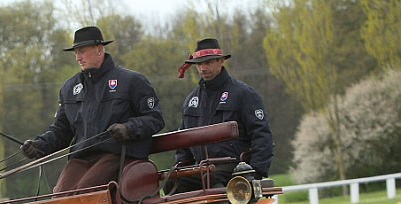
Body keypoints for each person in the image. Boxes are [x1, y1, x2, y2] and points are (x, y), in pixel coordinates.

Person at [20, 26, 165, 194]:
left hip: (117, 155)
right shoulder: (69, 88)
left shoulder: (132, 81)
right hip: (81, 159)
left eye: (82, 51)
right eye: (75, 53)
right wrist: (39, 145)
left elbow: (155, 119)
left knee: (85, 193)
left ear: (99, 49)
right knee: (60, 196)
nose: (78, 58)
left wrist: (128, 128)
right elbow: (61, 130)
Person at [172, 38, 273, 192]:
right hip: (202, 169)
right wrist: (181, 167)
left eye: (208, 63)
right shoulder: (191, 100)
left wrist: (256, 172)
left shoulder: (243, 94)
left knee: (211, 180)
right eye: (199, 64)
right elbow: (183, 143)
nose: (202, 68)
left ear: (221, 61)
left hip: (235, 167)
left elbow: (262, 135)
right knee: (172, 183)